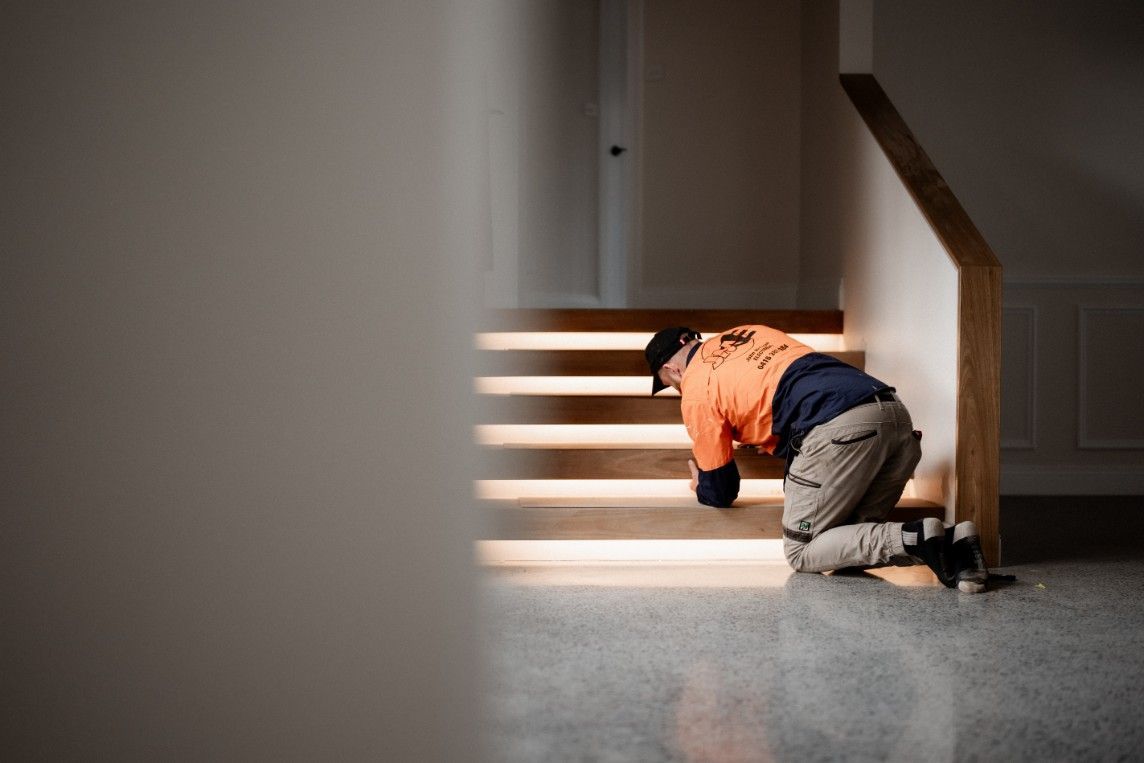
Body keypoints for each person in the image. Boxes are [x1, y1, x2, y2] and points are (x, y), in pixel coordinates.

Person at [645, 325, 990, 593]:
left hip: (840, 431)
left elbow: (722, 490)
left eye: (669, 383)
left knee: (802, 551)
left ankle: (914, 537)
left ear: (673, 369)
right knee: (846, 540)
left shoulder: (696, 389)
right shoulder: (750, 333)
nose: (676, 389)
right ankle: (959, 543)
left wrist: (701, 484)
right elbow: (782, 387)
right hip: (894, 417)